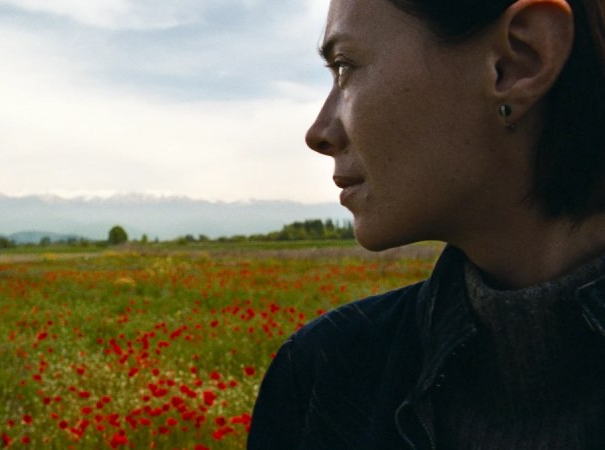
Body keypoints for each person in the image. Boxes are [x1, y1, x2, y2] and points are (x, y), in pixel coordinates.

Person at [248, 0, 605, 448]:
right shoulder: (321, 373)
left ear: (516, 61)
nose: (318, 133)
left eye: (344, 67)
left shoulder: (335, 377)